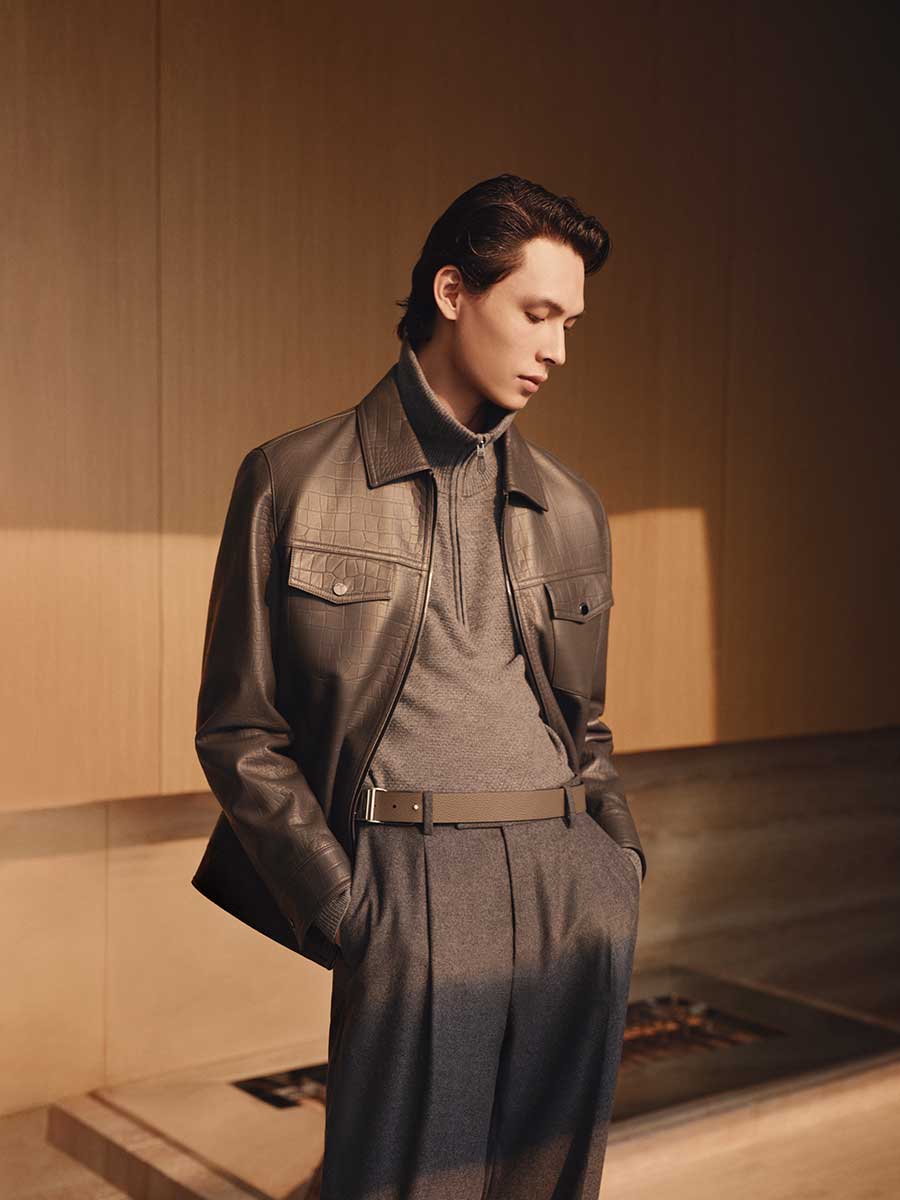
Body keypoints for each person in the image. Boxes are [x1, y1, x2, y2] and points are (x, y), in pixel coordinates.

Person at [193, 173, 646, 1200]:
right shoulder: (293, 479)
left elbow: (587, 726)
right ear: (452, 291)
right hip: (409, 881)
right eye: (537, 313)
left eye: (570, 324)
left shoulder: (573, 507)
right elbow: (239, 731)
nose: (557, 350)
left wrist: (615, 866)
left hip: (571, 886)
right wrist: (345, 907)